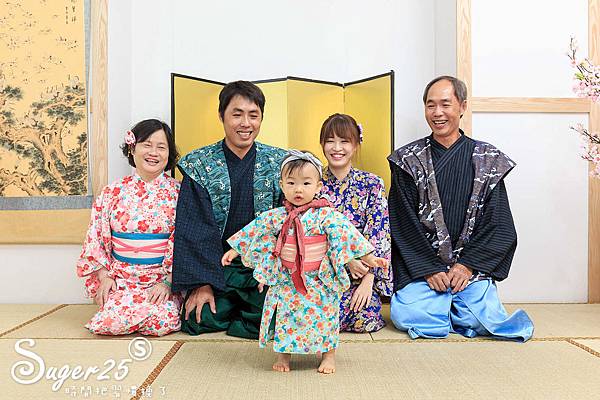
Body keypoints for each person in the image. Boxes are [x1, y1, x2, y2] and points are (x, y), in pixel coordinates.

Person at [387, 76, 534, 341]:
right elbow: (401, 221)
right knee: (405, 315)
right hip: (423, 272)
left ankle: (447, 309)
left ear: (462, 106)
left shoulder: (487, 160)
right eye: (430, 105)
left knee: (480, 317)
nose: (437, 112)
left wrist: (466, 266)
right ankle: (453, 309)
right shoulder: (408, 160)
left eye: (445, 104)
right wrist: (429, 268)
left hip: (468, 272)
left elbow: (498, 224)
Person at [222, 150, 388, 374]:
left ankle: (328, 355)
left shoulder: (326, 215)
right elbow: (256, 230)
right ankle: (283, 356)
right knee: (286, 318)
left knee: (326, 316)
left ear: (318, 186)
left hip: (319, 279)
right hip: (288, 279)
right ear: (282, 185)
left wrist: (367, 257)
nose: (298, 189)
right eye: (291, 183)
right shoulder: (277, 215)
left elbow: (346, 235)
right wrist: (235, 249)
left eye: (306, 183)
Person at [172, 81, 287, 339]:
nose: (245, 123)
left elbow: (288, 224)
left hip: (262, 267)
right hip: (216, 268)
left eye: (253, 115)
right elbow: (194, 229)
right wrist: (202, 284)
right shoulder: (200, 164)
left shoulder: (279, 163)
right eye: (237, 114)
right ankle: (232, 306)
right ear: (221, 115)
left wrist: (273, 270)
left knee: (275, 319)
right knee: (198, 319)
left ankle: (245, 310)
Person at [76, 119, 182, 336]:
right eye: (147, 145)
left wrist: (168, 282)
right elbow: (96, 237)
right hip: (122, 279)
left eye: (161, 147)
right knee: (109, 323)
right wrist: (105, 277)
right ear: (132, 148)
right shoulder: (112, 192)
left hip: (161, 280)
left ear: (169, 153)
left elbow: (187, 242)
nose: (153, 152)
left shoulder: (180, 193)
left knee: (163, 322)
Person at [319, 114, 393, 333]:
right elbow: (307, 233)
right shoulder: (312, 182)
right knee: (318, 317)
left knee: (366, 320)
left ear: (356, 144)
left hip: (360, 275)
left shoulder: (372, 183)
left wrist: (368, 280)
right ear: (322, 144)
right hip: (322, 273)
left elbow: (380, 234)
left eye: (344, 141)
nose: (337, 148)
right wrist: (345, 258)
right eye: (330, 141)